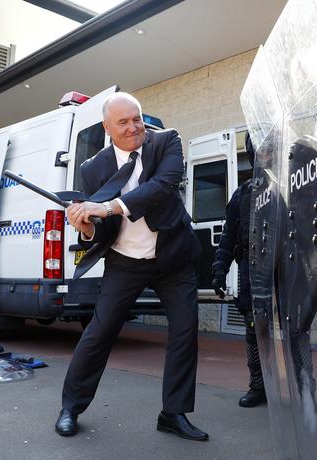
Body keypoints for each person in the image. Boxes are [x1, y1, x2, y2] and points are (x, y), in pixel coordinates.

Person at [57, 92, 208, 442]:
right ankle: (70, 407)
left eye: (136, 118)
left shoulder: (167, 142)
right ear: (107, 128)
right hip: (125, 262)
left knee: (185, 331)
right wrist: (87, 225)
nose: (133, 127)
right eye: (122, 122)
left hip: (173, 257)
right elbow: (103, 229)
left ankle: (173, 413)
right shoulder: (92, 168)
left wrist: (106, 207)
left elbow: (162, 187)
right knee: (99, 332)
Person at [210, 132, 266, 408]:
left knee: (293, 332)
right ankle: (258, 385)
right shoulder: (242, 194)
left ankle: (302, 388)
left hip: (284, 268)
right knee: (254, 328)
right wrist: (219, 268)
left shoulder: (290, 187)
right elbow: (228, 235)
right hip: (250, 266)